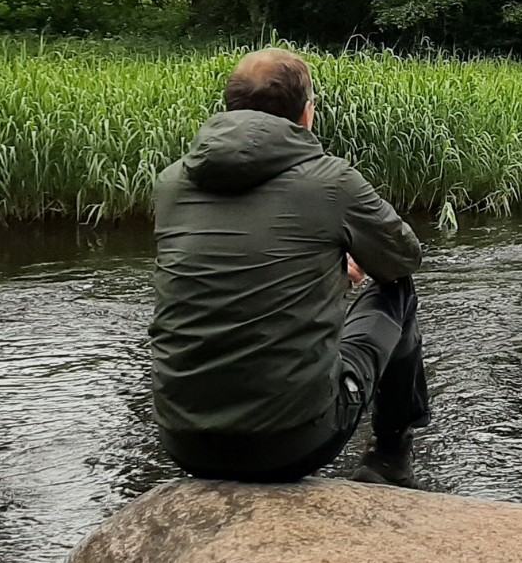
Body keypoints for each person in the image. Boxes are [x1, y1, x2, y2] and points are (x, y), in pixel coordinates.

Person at [149, 48, 430, 488]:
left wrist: (331, 272)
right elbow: (404, 258)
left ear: (231, 109)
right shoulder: (332, 181)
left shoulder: (171, 183)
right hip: (291, 445)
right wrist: (345, 268)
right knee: (399, 289)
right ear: (306, 114)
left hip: (182, 442)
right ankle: (390, 458)